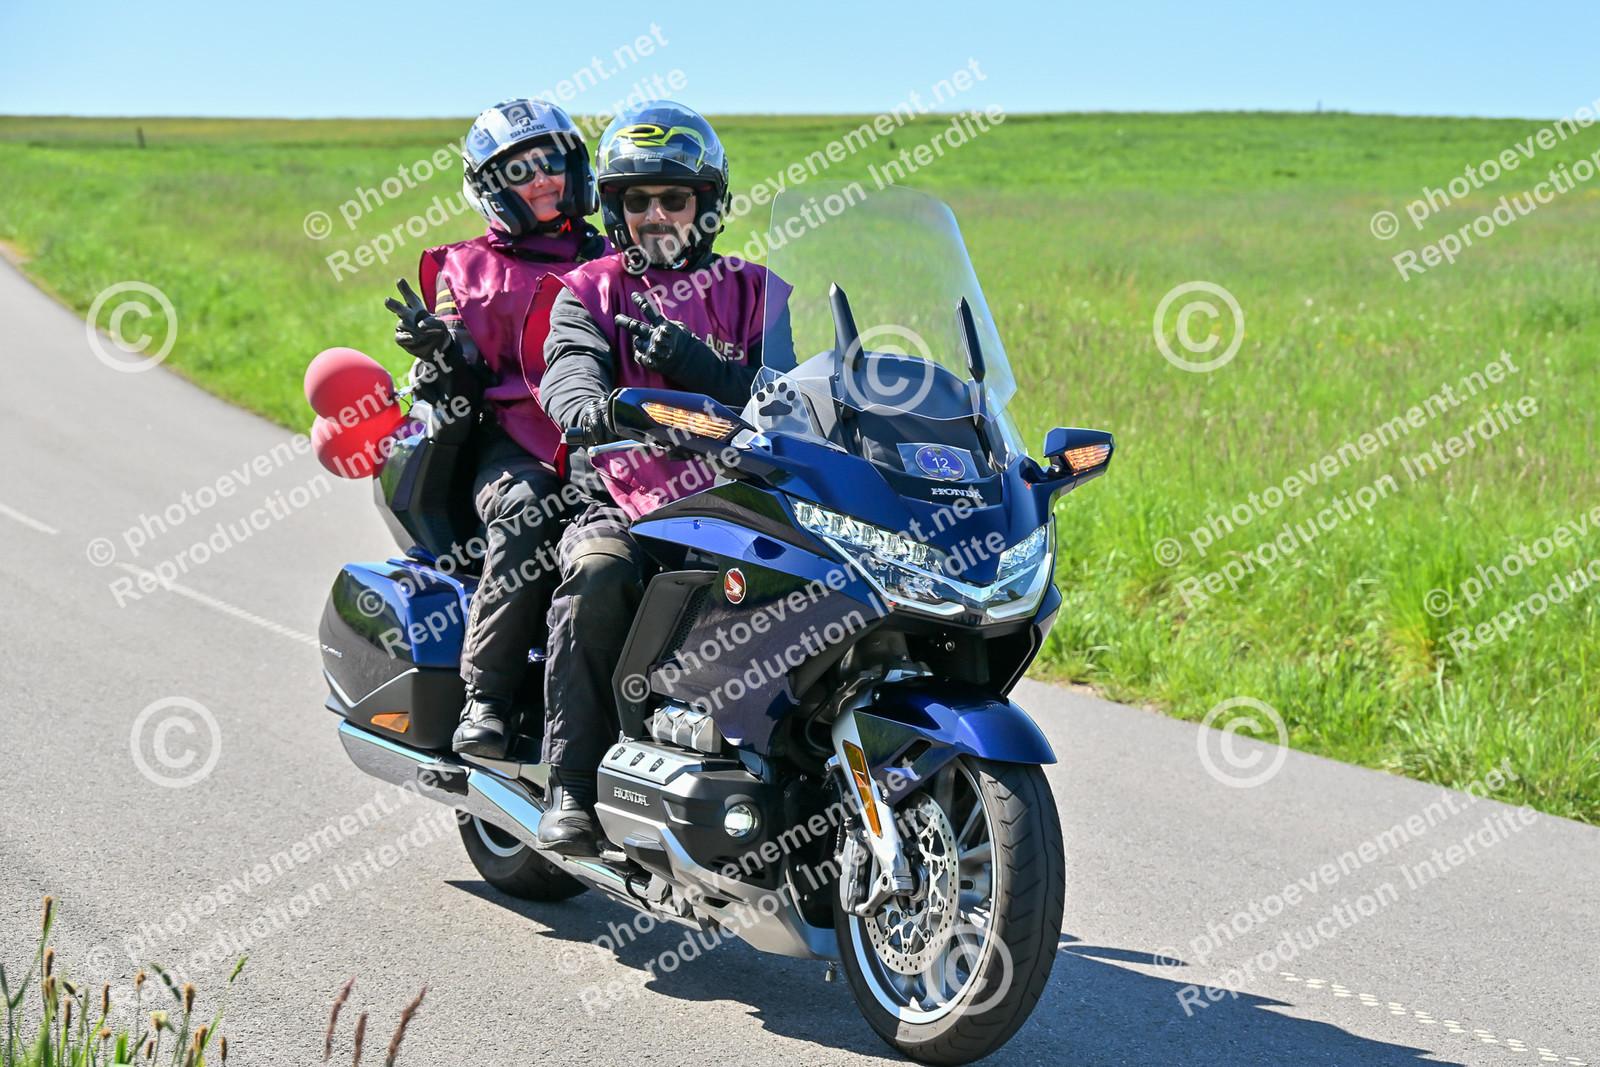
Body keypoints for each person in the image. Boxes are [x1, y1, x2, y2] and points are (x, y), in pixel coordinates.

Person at [529, 101, 789, 853]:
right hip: (624, 497)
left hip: (739, 496)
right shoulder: (587, 290)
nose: (655, 215)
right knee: (598, 570)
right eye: (637, 200)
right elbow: (568, 370)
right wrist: (588, 406)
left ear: (706, 205)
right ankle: (571, 785)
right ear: (615, 209)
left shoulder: (760, 291)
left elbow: (791, 391)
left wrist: (699, 365)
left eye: (673, 198)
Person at [385, 98, 609, 760]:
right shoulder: (462, 269)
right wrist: (437, 351)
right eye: (519, 171)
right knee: (526, 507)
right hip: (511, 444)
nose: (540, 180)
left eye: (550, 163)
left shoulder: (611, 256)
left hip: (605, 442)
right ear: (491, 187)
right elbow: (459, 380)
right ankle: (487, 696)